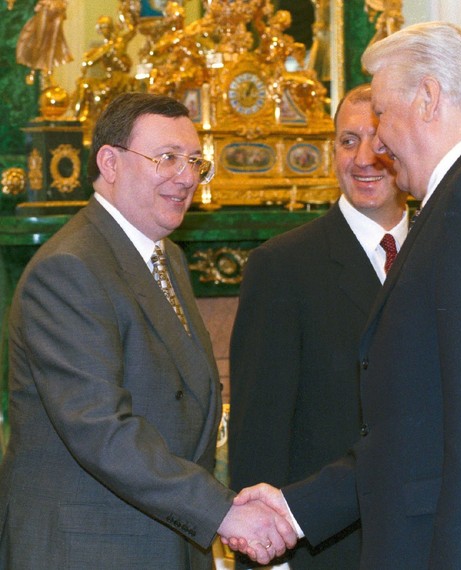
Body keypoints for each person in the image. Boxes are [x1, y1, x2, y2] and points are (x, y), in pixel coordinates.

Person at [229, 22, 461, 568]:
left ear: (428, 99)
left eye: (383, 116)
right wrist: (296, 509)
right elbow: (427, 424)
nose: (380, 142)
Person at [0, 92, 296, 569]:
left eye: (195, 161)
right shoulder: (69, 268)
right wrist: (221, 512)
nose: (185, 177)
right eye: (167, 158)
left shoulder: (166, 257)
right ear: (110, 162)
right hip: (88, 549)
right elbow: (102, 431)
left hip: (159, 540)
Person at [228, 83, 408, 570]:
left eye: (379, 140)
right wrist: (266, 556)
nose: (364, 158)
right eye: (348, 141)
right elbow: (258, 426)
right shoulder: (283, 265)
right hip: (325, 549)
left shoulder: (443, 251)